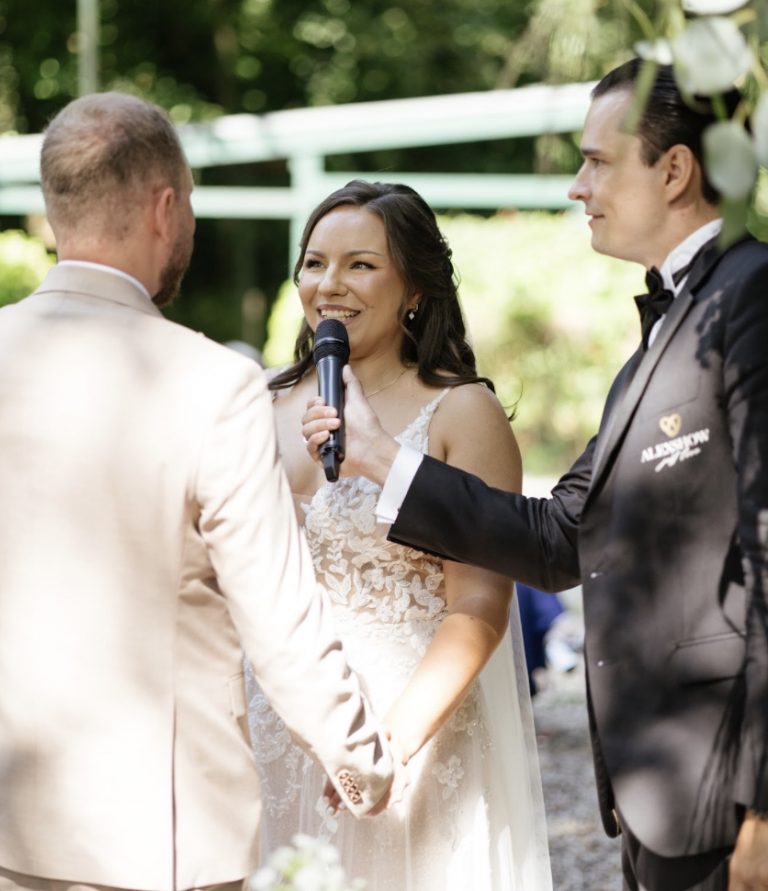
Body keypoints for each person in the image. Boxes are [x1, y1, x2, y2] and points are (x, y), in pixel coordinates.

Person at [301, 62, 768, 891]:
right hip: (661, 794)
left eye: (595, 162)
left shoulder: (753, 298)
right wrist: (378, 455)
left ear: (674, 169)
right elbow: (558, 537)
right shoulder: (665, 333)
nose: (576, 187)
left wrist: (764, 804)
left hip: (728, 792)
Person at [0, 93, 395, 891]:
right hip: (155, 835)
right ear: (165, 207)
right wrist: (362, 761)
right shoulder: (214, 384)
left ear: (53, 213)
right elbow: (278, 615)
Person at [246, 180, 552, 890]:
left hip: (406, 728)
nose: (329, 284)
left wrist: (389, 745)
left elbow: (478, 608)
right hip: (273, 730)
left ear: (414, 286)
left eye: (360, 264)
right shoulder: (259, 401)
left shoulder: (461, 411)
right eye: (314, 262)